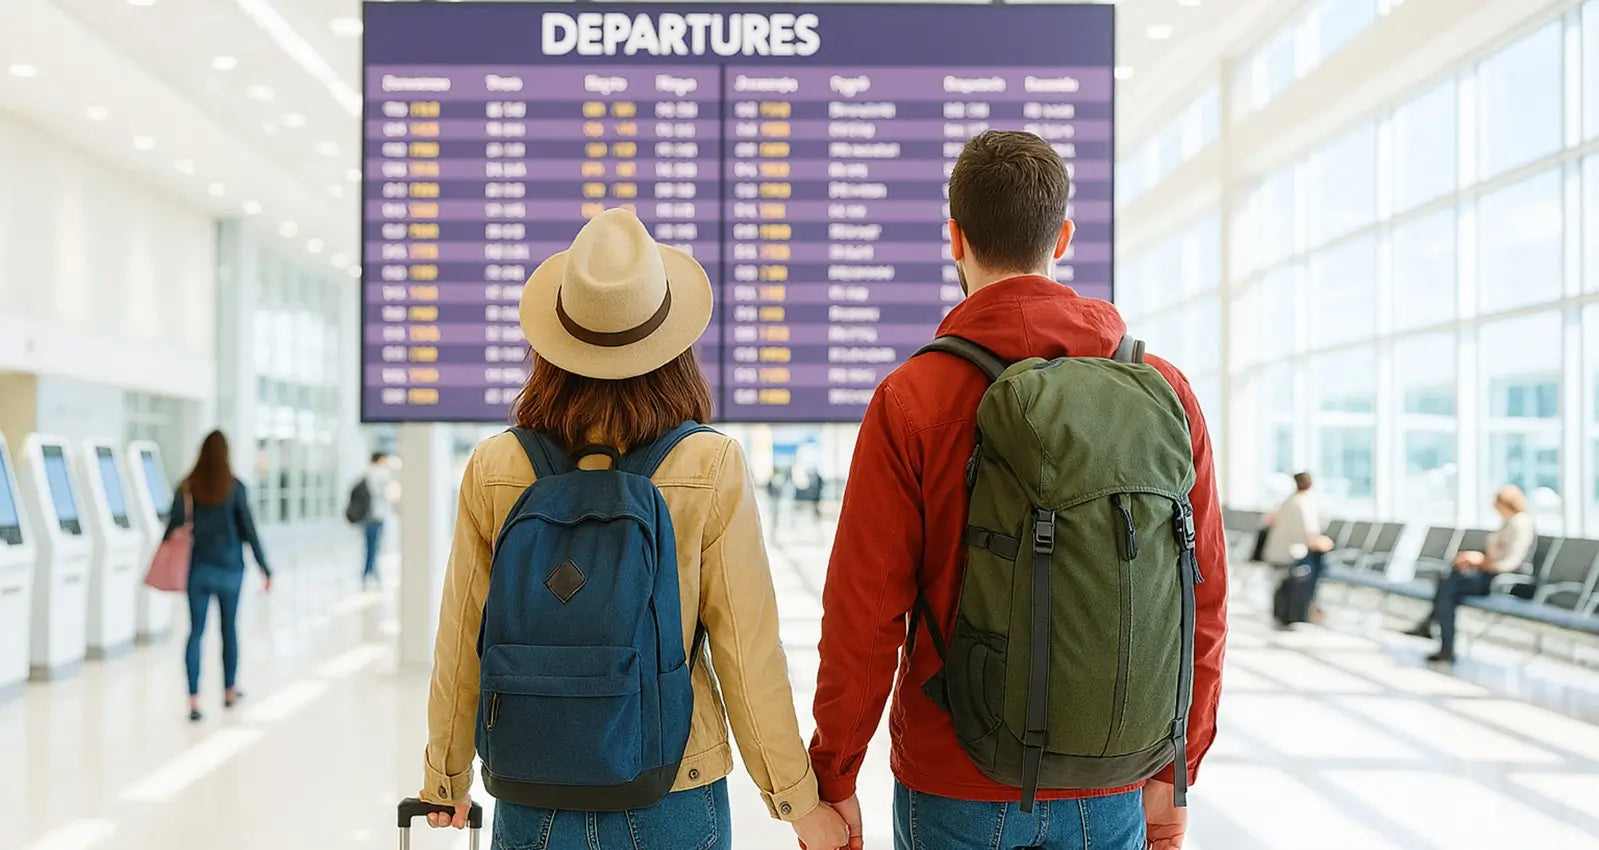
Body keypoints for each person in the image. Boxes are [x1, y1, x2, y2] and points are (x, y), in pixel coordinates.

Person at [808, 131, 1228, 850]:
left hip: (953, 774)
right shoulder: (1164, 390)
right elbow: (1201, 596)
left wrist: (834, 775)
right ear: (1061, 237)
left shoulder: (912, 398)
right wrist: (1176, 767)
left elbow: (866, 612)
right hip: (1114, 770)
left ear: (955, 238)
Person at [419, 209, 849, 850]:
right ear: (671, 344)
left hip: (534, 785)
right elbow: (747, 652)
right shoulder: (709, 463)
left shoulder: (498, 465)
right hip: (673, 783)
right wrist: (796, 801)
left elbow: (462, 638)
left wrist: (445, 777)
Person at [164, 430, 270, 722]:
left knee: (195, 632)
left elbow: (172, 526)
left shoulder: (187, 487)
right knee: (228, 630)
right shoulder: (234, 487)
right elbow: (249, 530)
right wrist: (265, 567)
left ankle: (194, 700)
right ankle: (229, 690)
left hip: (197, 569)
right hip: (230, 569)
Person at [1405, 485, 1535, 663]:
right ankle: (1440, 641)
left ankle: (1437, 636)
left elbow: (1510, 562)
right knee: (1447, 581)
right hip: (1493, 574)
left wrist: (1480, 562)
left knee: (1447, 587)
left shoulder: (1520, 523)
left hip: (1505, 581)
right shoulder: (1508, 522)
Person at [1262, 472, 1334, 621]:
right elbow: (1310, 536)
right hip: (1290, 555)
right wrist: (1326, 544)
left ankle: (1311, 606)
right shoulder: (1303, 503)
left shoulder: (1287, 501)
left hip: (1274, 552)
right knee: (1319, 563)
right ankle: (1311, 606)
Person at [360, 452, 398, 586]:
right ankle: (370, 576)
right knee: (373, 548)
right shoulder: (381, 474)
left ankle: (370, 575)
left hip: (367, 517)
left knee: (370, 547)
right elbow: (390, 493)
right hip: (376, 516)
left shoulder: (367, 473)